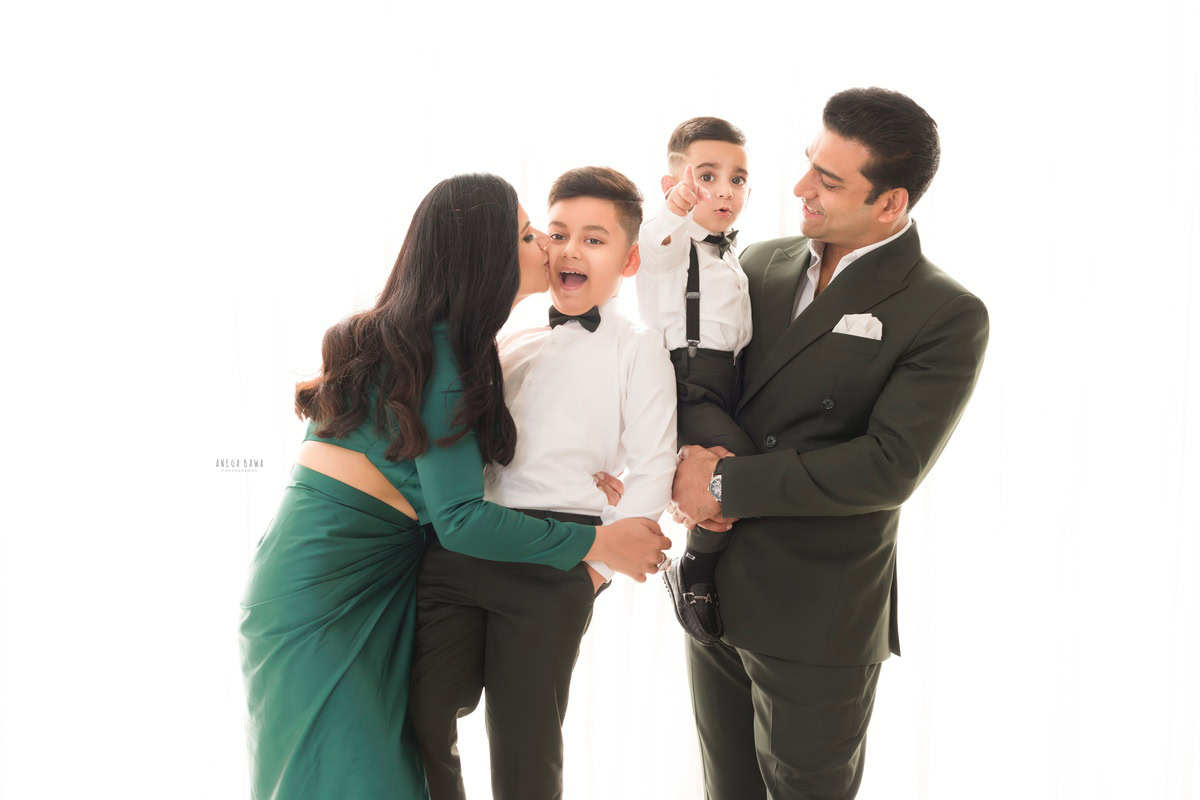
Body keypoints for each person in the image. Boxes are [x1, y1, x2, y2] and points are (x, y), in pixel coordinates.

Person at [238, 173, 670, 800]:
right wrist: (597, 546)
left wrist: (599, 489)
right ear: (486, 257)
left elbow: (483, 469)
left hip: (356, 581)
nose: (551, 249)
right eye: (534, 235)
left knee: (381, 767)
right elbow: (461, 517)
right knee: (353, 777)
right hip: (330, 597)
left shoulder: (445, 344)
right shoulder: (443, 357)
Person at [670, 88, 990, 798]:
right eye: (809, 164)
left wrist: (723, 486)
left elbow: (888, 466)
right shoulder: (759, 263)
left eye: (830, 181)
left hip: (817, 614)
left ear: (890, 203)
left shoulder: (945, 311)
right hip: (713, 588)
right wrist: (680, 465)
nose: (799, 189)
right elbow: (704, 383)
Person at [410, 166, 679, 800]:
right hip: (463, 545)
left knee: (526, 742)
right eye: (556, 234)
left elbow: (653, 463)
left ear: (630, 259)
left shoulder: (638, 349)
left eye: (594, 238)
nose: (569, 250)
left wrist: (597, 568)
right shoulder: (500, 339)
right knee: (423, 712)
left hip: (559, 561)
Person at [635, 116, 757, 644]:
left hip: (725, 381)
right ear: (674, 185)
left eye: (738, 178)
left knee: (732, 475)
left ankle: (712, 565)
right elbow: (654, 239)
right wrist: (676, 207)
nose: (724, 190)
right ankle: (695, 569)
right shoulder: (669, 247)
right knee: (741, 470)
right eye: (707, 176)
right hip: (685, 384)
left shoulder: (730, 255)